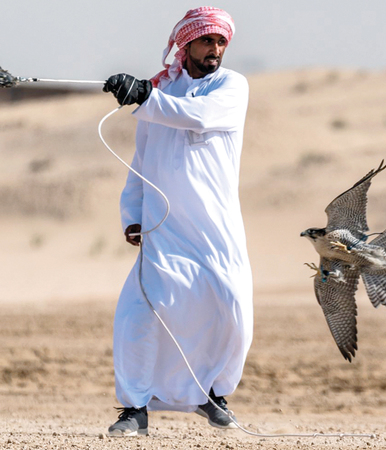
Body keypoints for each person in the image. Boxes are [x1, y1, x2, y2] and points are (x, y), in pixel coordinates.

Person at [101, 6, 252, 437]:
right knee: (142, 312)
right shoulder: (160, 90)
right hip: (163, 225)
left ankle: (211, 393)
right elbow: (142, 160)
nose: (215, 50)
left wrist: (144, 95)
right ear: (186, 45)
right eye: (207, 41)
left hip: (215, 226)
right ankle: (134, 408)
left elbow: (198, 116)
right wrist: (132, 213)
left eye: (221, 42)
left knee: (231, 309)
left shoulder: (231, 86)